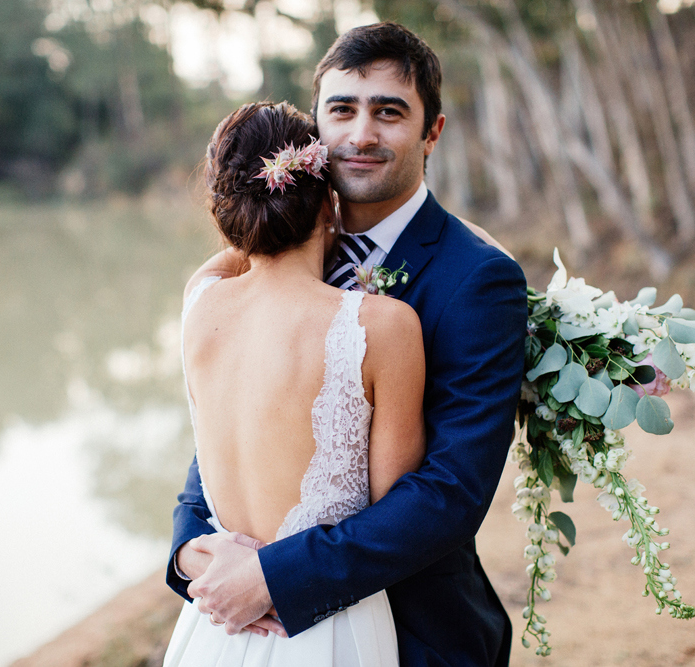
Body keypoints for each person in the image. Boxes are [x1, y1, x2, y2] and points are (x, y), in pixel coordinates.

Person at [169, 22, 528, 667]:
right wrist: (192, 552)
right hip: (248, 629)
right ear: (316, 127)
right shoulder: (253, 264)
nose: (361, 134)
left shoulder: (477, 277)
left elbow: (450, 492)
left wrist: (274, 578)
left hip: (414, 632)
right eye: (342, 109)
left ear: (432, 132)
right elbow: (219, 437)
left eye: (389, 112)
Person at [162, 100, 426, 665]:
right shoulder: (381, 326)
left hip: (218, 622)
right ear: (328, 199)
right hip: (330, 625)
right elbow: (390, 510)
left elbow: (236, 254)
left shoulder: (200, 300)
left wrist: (279, 213)